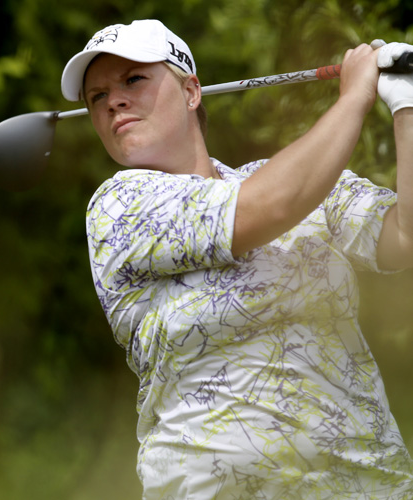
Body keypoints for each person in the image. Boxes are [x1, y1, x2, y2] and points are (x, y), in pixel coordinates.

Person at [60, 19, 413, 499]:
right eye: (97, 96)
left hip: (365, 482)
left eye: (133, 80)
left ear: (191, 92)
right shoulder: (119, 205)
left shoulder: (295, 177)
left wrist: (406, 106)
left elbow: (403, 236)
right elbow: (264, 208)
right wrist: (354, 98)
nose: (113, 101)